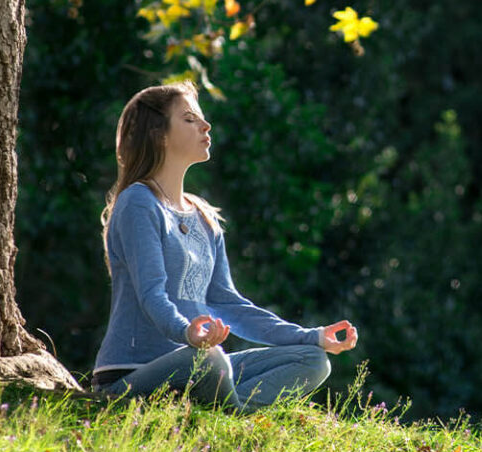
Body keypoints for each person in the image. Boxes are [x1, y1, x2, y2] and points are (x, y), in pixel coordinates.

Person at [89, 82, 358, 408]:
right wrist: (188, 333)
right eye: (189, 119)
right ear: (158, 133)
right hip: (131, 376)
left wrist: (311, 336)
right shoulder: (138, 202)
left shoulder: (203, 216)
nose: (206, 125)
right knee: (210, 360)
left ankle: (222, 406)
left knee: (313, 361)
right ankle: (235, 411)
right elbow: (151, 294)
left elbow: (229, 304)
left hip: (199, 369)